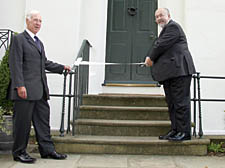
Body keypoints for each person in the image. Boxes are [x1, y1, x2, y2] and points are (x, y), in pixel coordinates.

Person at [8, 10, 71, 163]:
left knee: (43, 122)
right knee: (22, 124)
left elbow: (44, 63)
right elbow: (15, 64)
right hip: (25, 91)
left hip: (40, 91)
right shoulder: (19, 39)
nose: (38, 23)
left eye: (40, 21)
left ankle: (47, 150)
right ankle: (19, 153)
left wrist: (62, 67)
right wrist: (19, 86)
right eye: (35, 20)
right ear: (27, 21)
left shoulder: (38, 42)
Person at [145, 8, 196, 141]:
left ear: (169, 16)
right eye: (156, 17)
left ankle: (184, 133)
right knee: (172, 103)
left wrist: (150, 58)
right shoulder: (166, 30)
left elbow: (161, 45)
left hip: (180, 71)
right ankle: (175, 130)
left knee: (181, 103)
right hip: (171, 74)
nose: (159, 19)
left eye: (161, 15)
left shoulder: (173, 27)